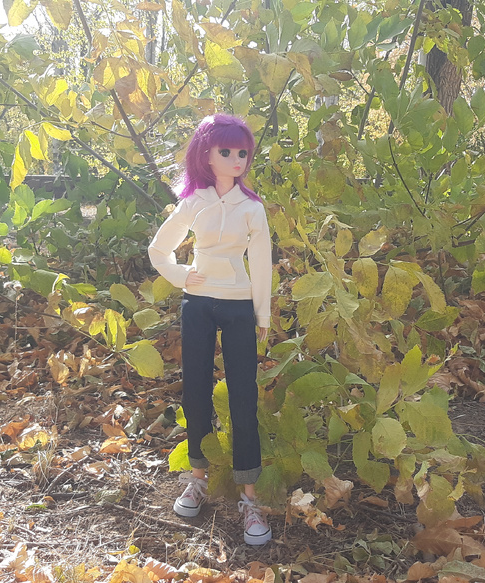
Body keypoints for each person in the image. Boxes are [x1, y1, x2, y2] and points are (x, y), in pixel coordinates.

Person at [147, 114, 273, 546]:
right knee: (195, 390)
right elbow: (159, 248)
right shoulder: (194, 202)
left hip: (238, 303)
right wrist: (182, 274)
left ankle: (250, 495)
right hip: (198, 302)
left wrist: (263, 313)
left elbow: (261, 263)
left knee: (243, 396)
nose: (237, 160)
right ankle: (197, 476)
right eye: (227, 151)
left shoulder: (252, 207)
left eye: (243, 153)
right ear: (207, 154)